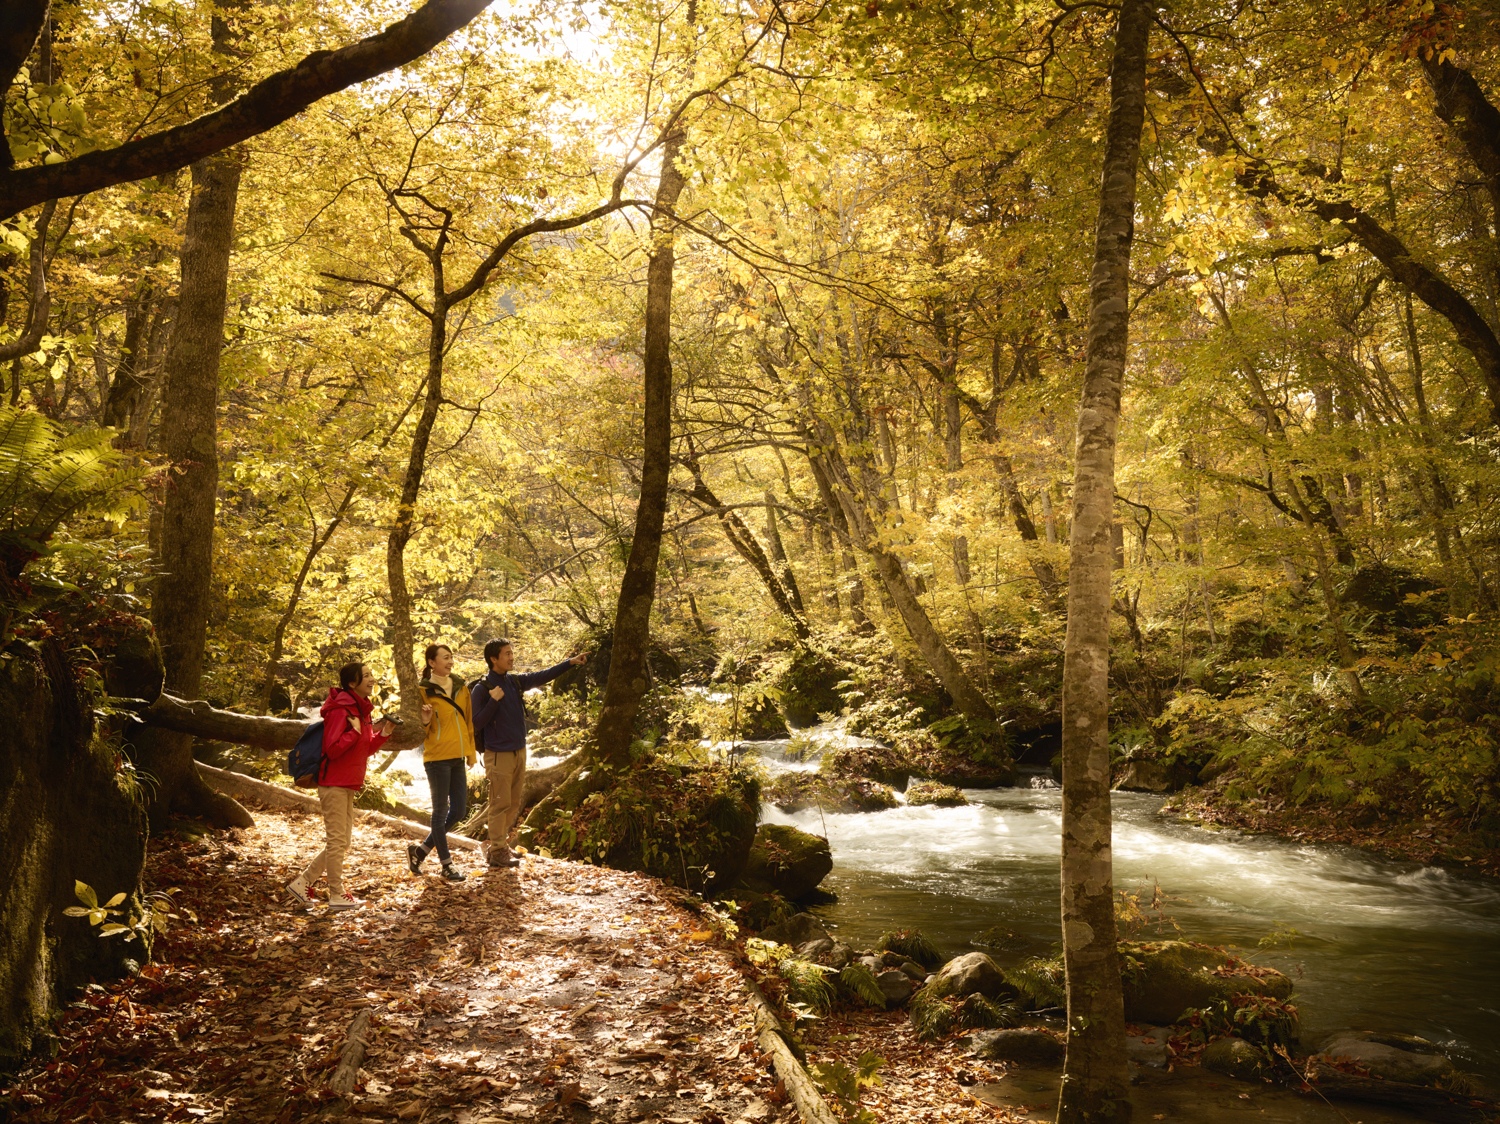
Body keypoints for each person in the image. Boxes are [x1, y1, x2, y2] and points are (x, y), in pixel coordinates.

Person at [285, 661, 394, 911]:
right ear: (352, 683)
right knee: (337, 841)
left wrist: (384, 733)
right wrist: (353, 733)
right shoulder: (340, 709)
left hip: (348, 782)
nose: (372, 679)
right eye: (366, 676)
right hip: (333, 782)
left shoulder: (361, 710)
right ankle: (336, 893)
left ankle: (303, 883)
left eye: (371, 675)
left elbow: (363, 750)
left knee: (342, 842)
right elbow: (332, 749)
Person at [470, 638, 586, 868]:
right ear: (494, 659)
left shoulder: (513, 681)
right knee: (499, 803)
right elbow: (475, 723)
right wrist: (493, 701)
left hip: (519, 751)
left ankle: (500, 847)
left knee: (513, 803)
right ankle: (497, 849)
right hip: (498, 754)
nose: (512, 657)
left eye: (512, 653)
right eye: (507, 654)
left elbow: (541, 676)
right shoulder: (481, 689)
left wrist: (569, 663)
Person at [406, 643, 476, 881]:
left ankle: (420, 851)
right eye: (445, 657)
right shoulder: (423, 691)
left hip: (457, 756)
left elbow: (468, 723)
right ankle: (447, 865)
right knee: (440, 811)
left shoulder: (461, 687)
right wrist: (425, 721)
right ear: (432, 663)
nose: (450, 661)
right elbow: (419, 730)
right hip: (437, 758)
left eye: (451, 657)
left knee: (458, 810)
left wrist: (471, 752)